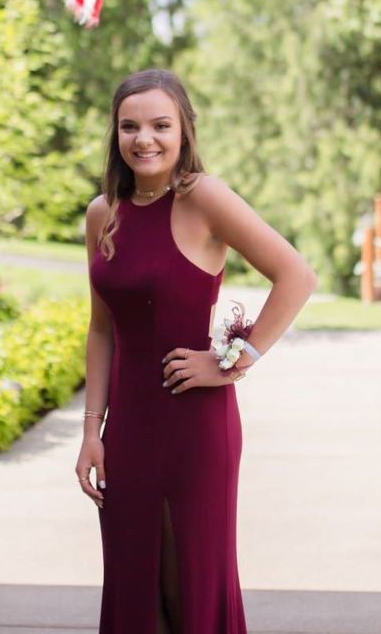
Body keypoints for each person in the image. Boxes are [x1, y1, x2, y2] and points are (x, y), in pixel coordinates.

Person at [77, 68, 318, 633]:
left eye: (161, 125)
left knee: (191, 582)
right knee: (134, 581)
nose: (145, 139)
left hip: (195, 424)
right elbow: (101, 330)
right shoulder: (101, 214)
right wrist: (93, 430)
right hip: (128, 429)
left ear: (183, 130)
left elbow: (296, 275)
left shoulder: (203, 197)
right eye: (130, 126)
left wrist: (236, 360)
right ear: (116, 135)